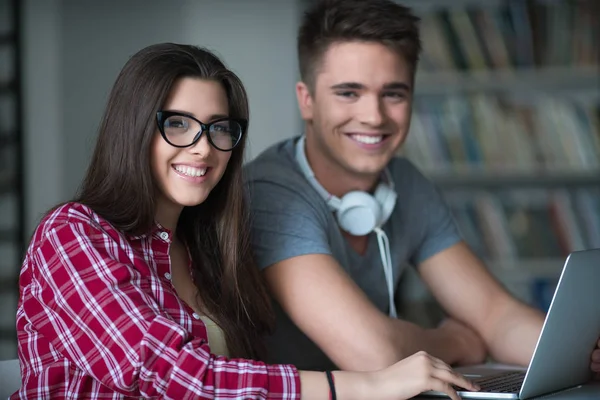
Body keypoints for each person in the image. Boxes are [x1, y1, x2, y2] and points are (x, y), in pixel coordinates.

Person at [13, 43, 480, 400]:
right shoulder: (72, 234)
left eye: (219, 128)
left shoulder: (210, 250)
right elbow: (177, 376)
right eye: (178, 124)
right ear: (133, 130)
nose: (203, 147)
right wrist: (366, 385)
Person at [244, 0, 600, 376]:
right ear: (308, 100)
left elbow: (494, 314)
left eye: (393, 94)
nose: (373, 116)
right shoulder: (270, 193)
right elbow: (373, 353)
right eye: (349, 93)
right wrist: (456, 342)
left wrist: (582, 352)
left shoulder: (405, 183)